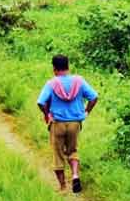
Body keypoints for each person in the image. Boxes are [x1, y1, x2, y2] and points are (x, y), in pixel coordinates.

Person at [37, 55, 98, 193]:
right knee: (73, 151)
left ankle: (63, 186)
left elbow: (40, 102)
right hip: (75, 123)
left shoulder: (51, 84)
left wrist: (47, 114)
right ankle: (75, 175)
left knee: (57, 154)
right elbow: (94, 97)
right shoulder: (79, 81)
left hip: (57, 123)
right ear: (68, 67)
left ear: (54, 68)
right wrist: (86, 112)